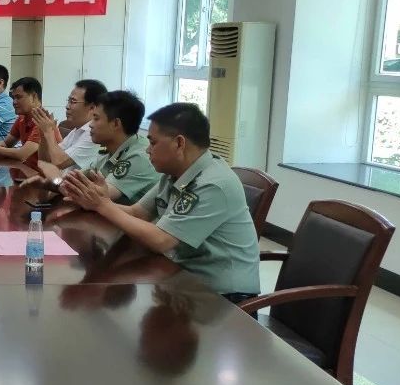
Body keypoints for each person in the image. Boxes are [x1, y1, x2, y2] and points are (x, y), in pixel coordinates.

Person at [59, 102, 261, 303]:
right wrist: (95, 202)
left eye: (153, 143)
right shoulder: (175, 173)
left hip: (222, 297)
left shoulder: (213, 184)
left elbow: (161, 240)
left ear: (179, 143)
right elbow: (137, 212)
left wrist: (103, 205)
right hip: (182, 277)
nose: (148, 150)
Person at [53, 90, 159, 206]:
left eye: (96, 118)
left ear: (116, 124)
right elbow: (72, 180)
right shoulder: (109, 149)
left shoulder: (139, 156)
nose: (90, 124)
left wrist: (56, 180)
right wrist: (56, 181)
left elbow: (97, 197)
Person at [0, 77, 54, 170]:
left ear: (34, 97)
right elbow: (6, 143)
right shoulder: (21, 118)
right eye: (13, 98)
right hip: (29, 169)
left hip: (45, 175)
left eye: (18, 97)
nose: (14, 102)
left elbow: (22, 155)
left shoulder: (43, 122)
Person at [31, 78, 107, 170]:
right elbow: (45, 162)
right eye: (68, 101)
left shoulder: (93, 134)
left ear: (92, 107)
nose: (67, 106)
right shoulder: (76, 131)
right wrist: (43, 133)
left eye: (73, 102)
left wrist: (48, 131)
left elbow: (59, 162)